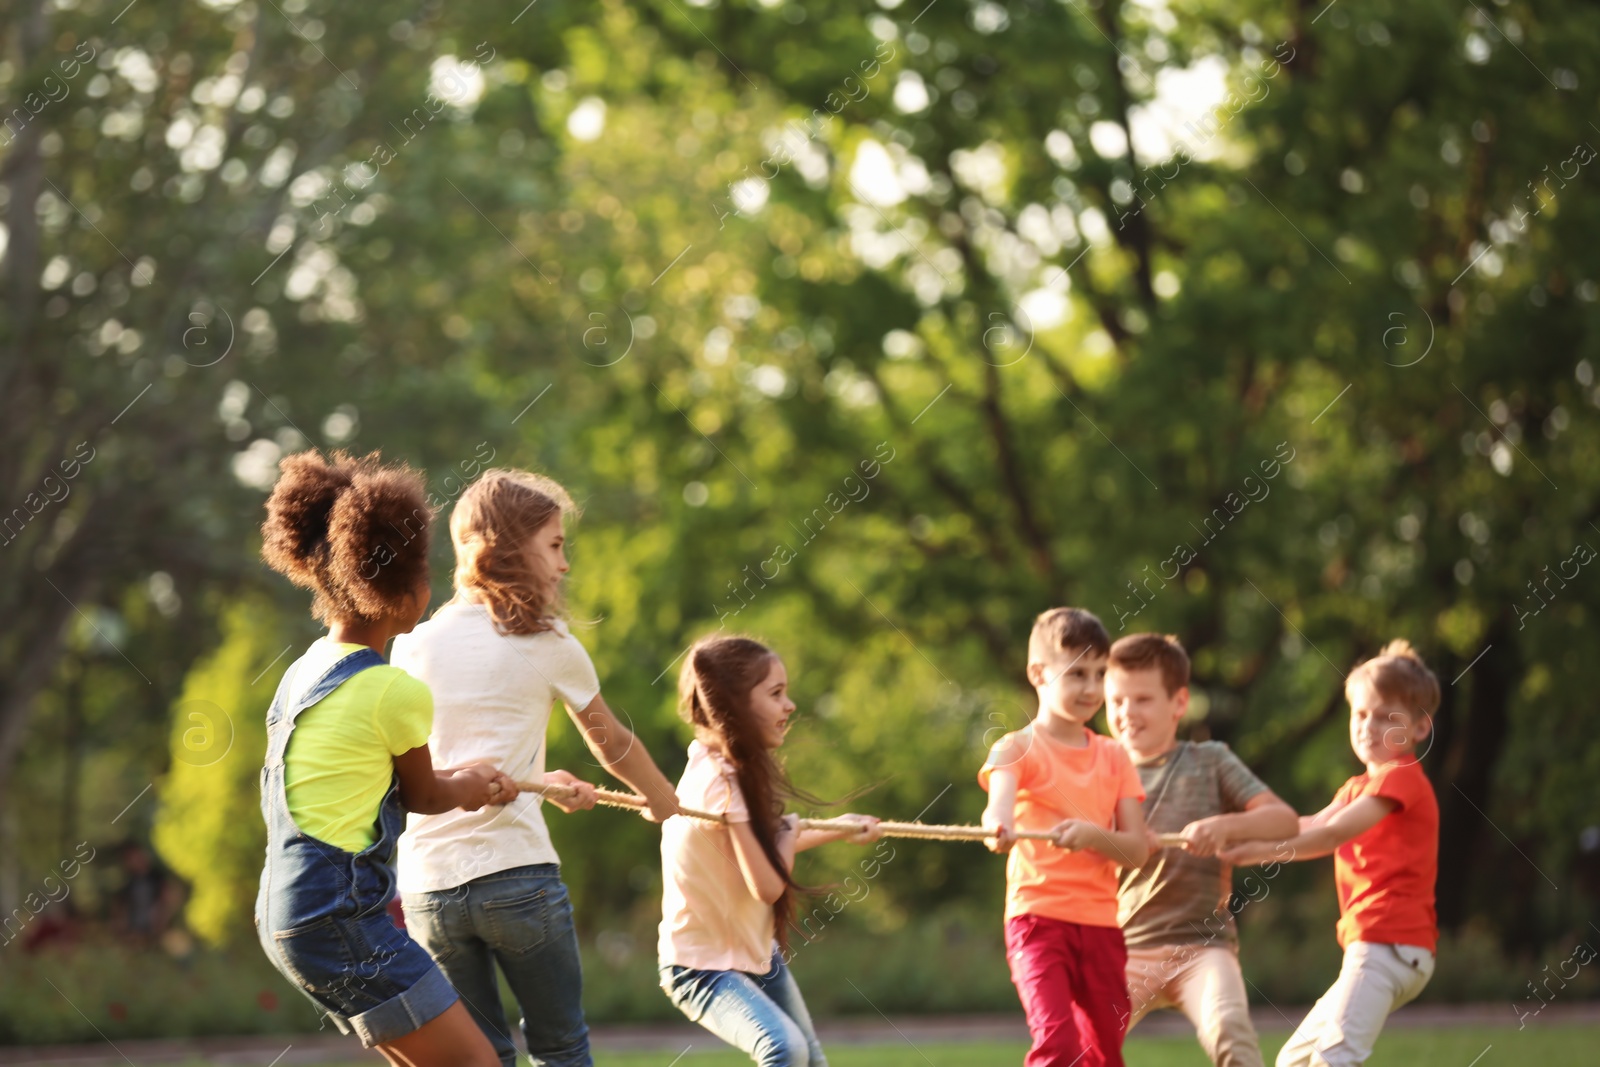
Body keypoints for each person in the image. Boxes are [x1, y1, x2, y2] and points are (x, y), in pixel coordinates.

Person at [394, 468, 684, 1067]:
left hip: (428, 890)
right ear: (507, 550)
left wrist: (546, 782)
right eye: (554, 545)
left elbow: (418, 764)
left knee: (482, 1058)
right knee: (561, 1048)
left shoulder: (411, 645)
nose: (564, 564)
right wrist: (665, 803)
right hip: (516, 880)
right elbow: (613, 743)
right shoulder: (546, 641)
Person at [255, 450, 518, 1067]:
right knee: (480, 1062)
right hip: (339, 918)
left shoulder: (302, 672)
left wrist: (464, 779)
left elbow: (367, 786)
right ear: (402, 589)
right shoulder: (394, 689)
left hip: (284, 912)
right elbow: (426, 797)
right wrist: (473, 785)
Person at [658, 635, 881, 1067]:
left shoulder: (720, 768)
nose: (790, 706)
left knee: (810, 1060)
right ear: (732, 706)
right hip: (701, 968)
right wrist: (790, 832)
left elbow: (763, 849)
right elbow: (767, 885)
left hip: (750, 951)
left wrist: (838, 829)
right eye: (776, 694)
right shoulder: (718, 784)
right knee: (785, 1048)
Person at [1222, 640, 1441, 1067]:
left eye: (1384, 717)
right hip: (1373, 949)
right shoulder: (1358, 787)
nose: (1368, 726)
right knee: (1295, 1061)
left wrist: (1249, 854)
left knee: (1334, 1060)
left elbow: (1332, 835)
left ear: (1418, 728)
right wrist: (1234, 833)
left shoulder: (1403, 778)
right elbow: (1309, 825)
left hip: (1388, 946)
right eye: (1360, 715)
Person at [1106, 633, 1298, 1067]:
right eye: (1115, 700)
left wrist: (1225, 826)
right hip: (1124, 950)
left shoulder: (1210, 760)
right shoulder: (1103, 771)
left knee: (1230, 1028)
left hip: (1203, 949)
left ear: (1178, 703)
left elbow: (1283, 820)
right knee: (1084, 1042)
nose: (1126, 712)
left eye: (1142, 699)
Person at [980, 607, 1150, 1067]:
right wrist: (998, 827)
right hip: (1037, 922)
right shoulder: (1015, 748)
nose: (1092, 689)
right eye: (1077, 674)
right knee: (1058, 1045)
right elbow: (997, 809)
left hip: (1101, 927)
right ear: (1038, 672)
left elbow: (1136, 850)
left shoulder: (1115, 756)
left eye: (1099, 674)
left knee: (1104, 1055)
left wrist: (1094, 836)